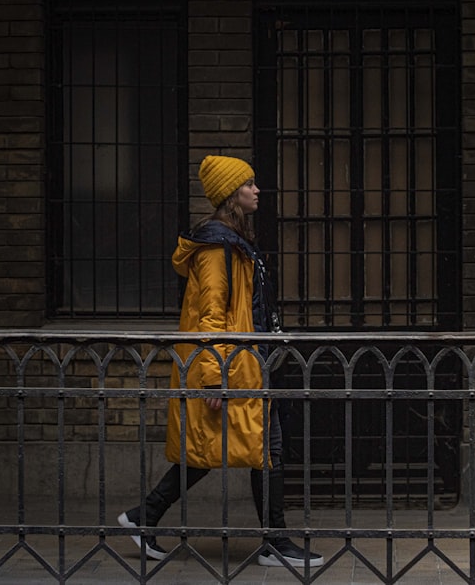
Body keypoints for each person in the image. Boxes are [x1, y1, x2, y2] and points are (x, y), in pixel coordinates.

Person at [118, 154, 323, 568]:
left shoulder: (234, 242)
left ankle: (144, 517)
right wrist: (214, 379)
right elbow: (210, 315)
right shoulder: (217, 248)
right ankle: (276, 543)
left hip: (247, 364)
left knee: (216, 453)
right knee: (262, 449)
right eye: (248, 184)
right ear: (232, 195)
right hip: (230, 369)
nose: (256, 190)